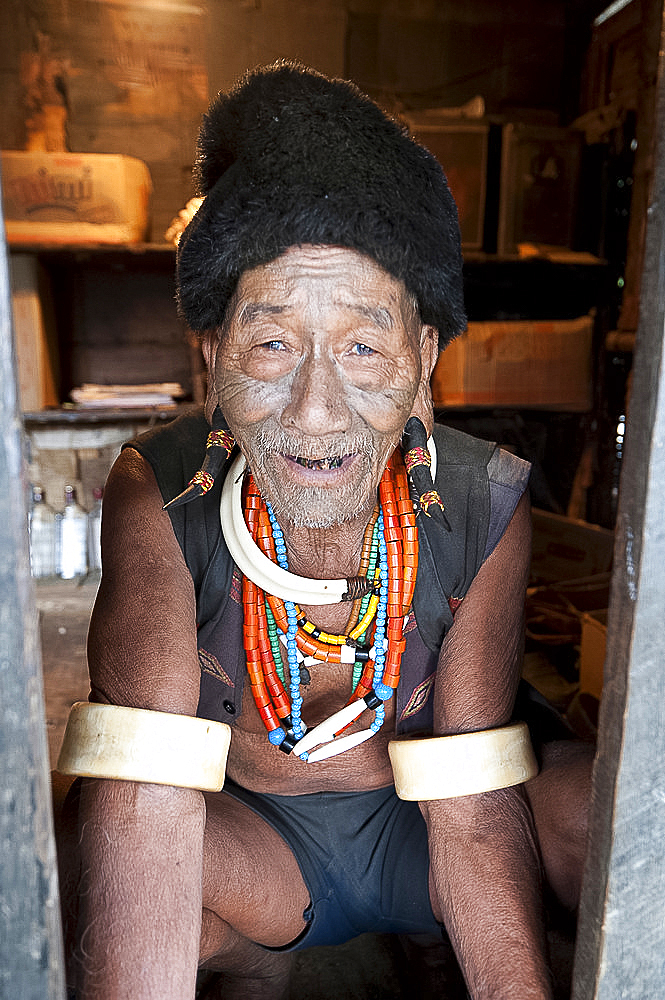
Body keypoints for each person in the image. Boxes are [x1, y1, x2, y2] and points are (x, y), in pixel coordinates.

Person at [56, 62, 592, 1000]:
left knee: (605, 813)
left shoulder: (481, 501)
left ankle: (415, 944)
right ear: (214, 355)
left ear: (423, 360)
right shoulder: (159, 491)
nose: (314, 413)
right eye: (271, 345)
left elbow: (469, 808)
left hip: (422, 840)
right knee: (88, 860)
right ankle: (264, 955)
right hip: (259, 853)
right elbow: (148, 797)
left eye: (361, 346)